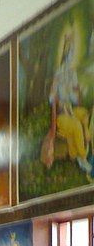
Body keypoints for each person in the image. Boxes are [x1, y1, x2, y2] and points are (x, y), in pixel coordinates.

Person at [42, 30, 93, 176]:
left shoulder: (73, 74)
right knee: (76, 125)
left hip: (71, 109)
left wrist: (78, 92)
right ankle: (82, 157)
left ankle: (79, 148)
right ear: (65, 54)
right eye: (69, 52)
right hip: (60, 117)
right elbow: (53, 102)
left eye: (72, 53)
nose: (70, 57)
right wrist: (52, 128)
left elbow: (77, 101)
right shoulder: (58, 75)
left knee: (84, 114)